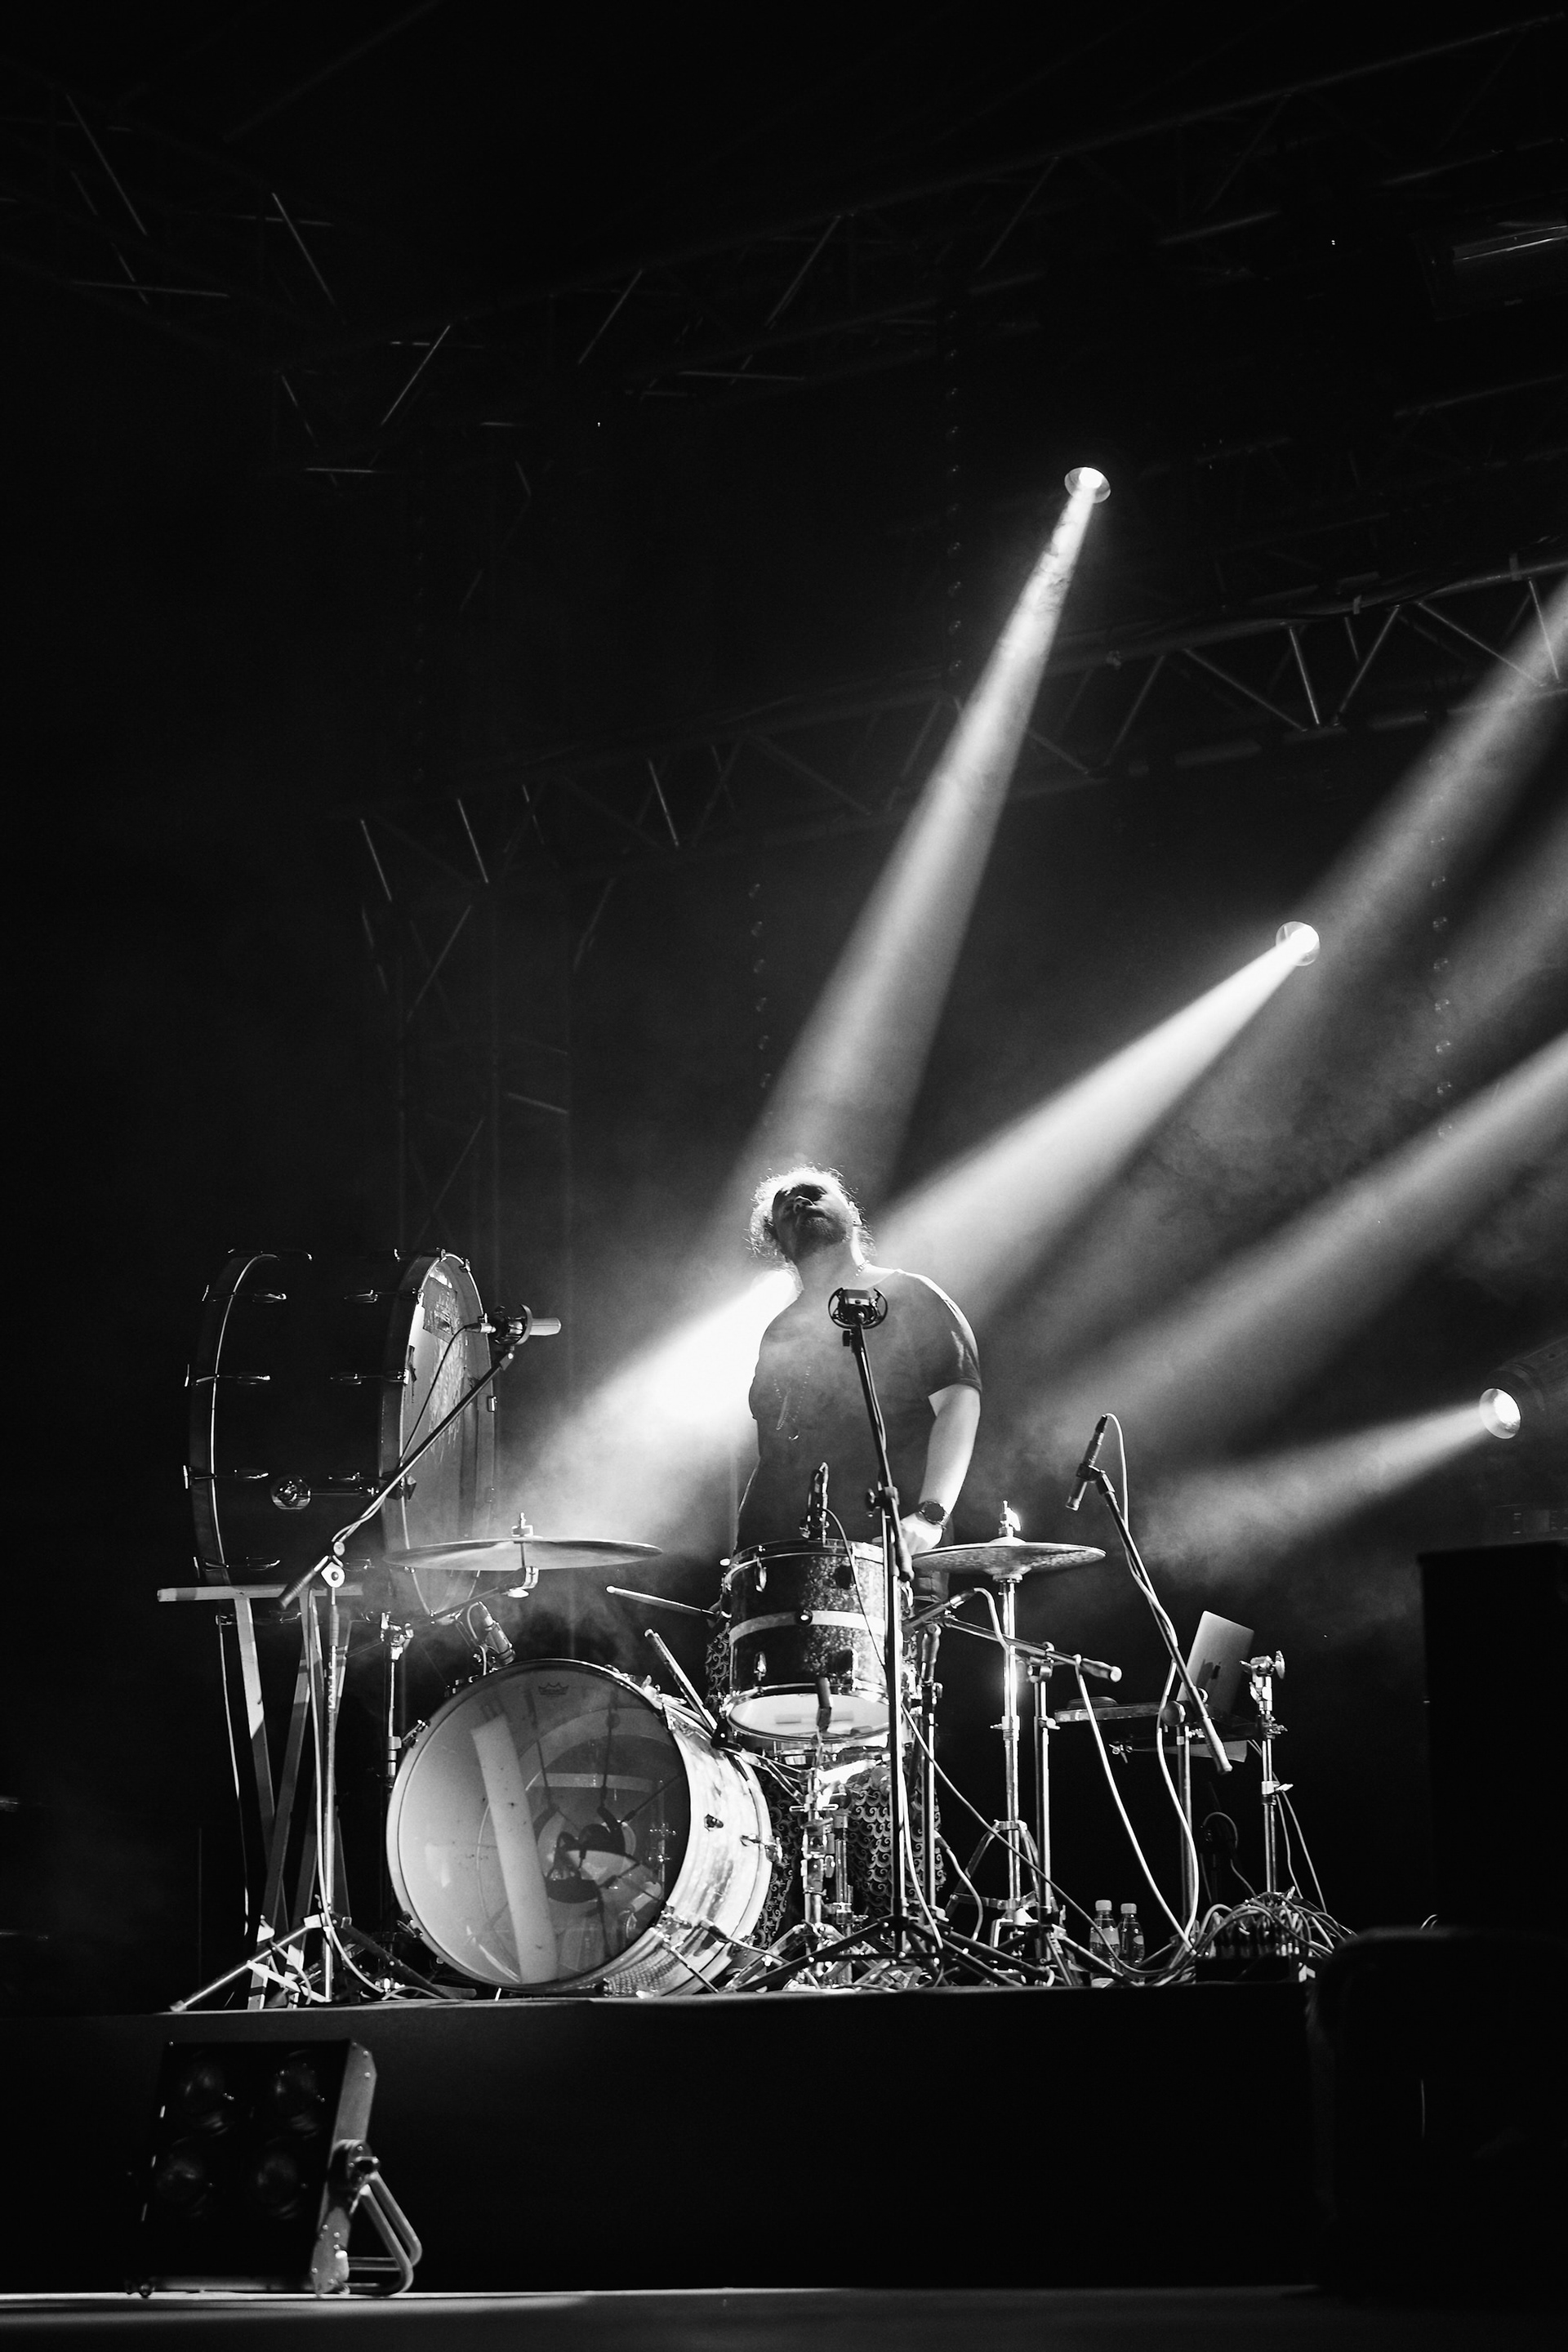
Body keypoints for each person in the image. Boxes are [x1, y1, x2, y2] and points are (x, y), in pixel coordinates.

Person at [736, 1165, 981, 1558]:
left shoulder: (910, 1295)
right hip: (791, 1558)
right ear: (778, 1243)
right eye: (785, 1207)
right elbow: (772, 1456)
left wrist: (930, 1516)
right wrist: (742, 1558)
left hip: (892, 1547)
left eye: (813, 1192)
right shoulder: (779, 1332)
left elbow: (959, 1403)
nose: (799, 1202)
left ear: (852, 1213)